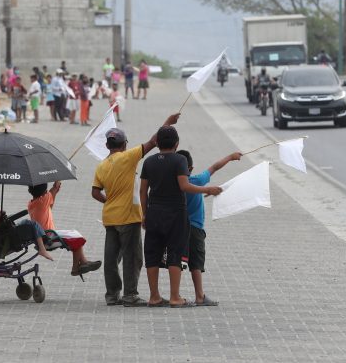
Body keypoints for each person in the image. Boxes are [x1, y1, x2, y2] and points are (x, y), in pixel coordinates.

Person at [90, 113, 180, 307]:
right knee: (132, 257)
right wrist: (168, 122)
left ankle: (112, 295)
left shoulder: (102, 166)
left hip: (110, 217)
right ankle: (130, 295)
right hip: (128, 217)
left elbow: (95, 192)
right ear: (124, 145)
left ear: (107, 146)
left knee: (111, 258)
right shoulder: (128, 157)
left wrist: (109, 200)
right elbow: (154, 141)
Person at [139, 126, 222, 308]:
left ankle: (154, 297)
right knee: (176, 253)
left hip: (154, 212)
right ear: (176, 144)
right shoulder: (180, 161)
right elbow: (184, 186)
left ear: (158, 143)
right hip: (175, 214)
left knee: (152, 252)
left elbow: (143, 190)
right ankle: (175, 297)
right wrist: (208, 189)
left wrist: (144, 213)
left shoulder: (149, 162)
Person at [176, 149, 241, 307]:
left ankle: (175, 294)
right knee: (196, 262)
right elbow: (214, 167)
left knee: (177, 261)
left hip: (177, 228)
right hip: (195, 228)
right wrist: (231, 157)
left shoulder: (171, 183)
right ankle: (199, 296)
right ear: (190, 168)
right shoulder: (196, 180)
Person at [28, 182, 100, 275]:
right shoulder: (43, 201)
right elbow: (52, 192)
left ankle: (83, 261)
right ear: (45, 192)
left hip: (43, 237)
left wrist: (54, 190)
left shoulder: (31, 203)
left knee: (74, 234)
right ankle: (75, 268)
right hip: (48, 238)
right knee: (76, 238)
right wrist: (56, 184)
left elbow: (49, 206)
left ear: (30, 191)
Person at [0, 187, 53, 261]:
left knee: (26, 222)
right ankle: (42, 249)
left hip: (7, 230)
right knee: (34, 225)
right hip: (9, 235)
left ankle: (41, 243)